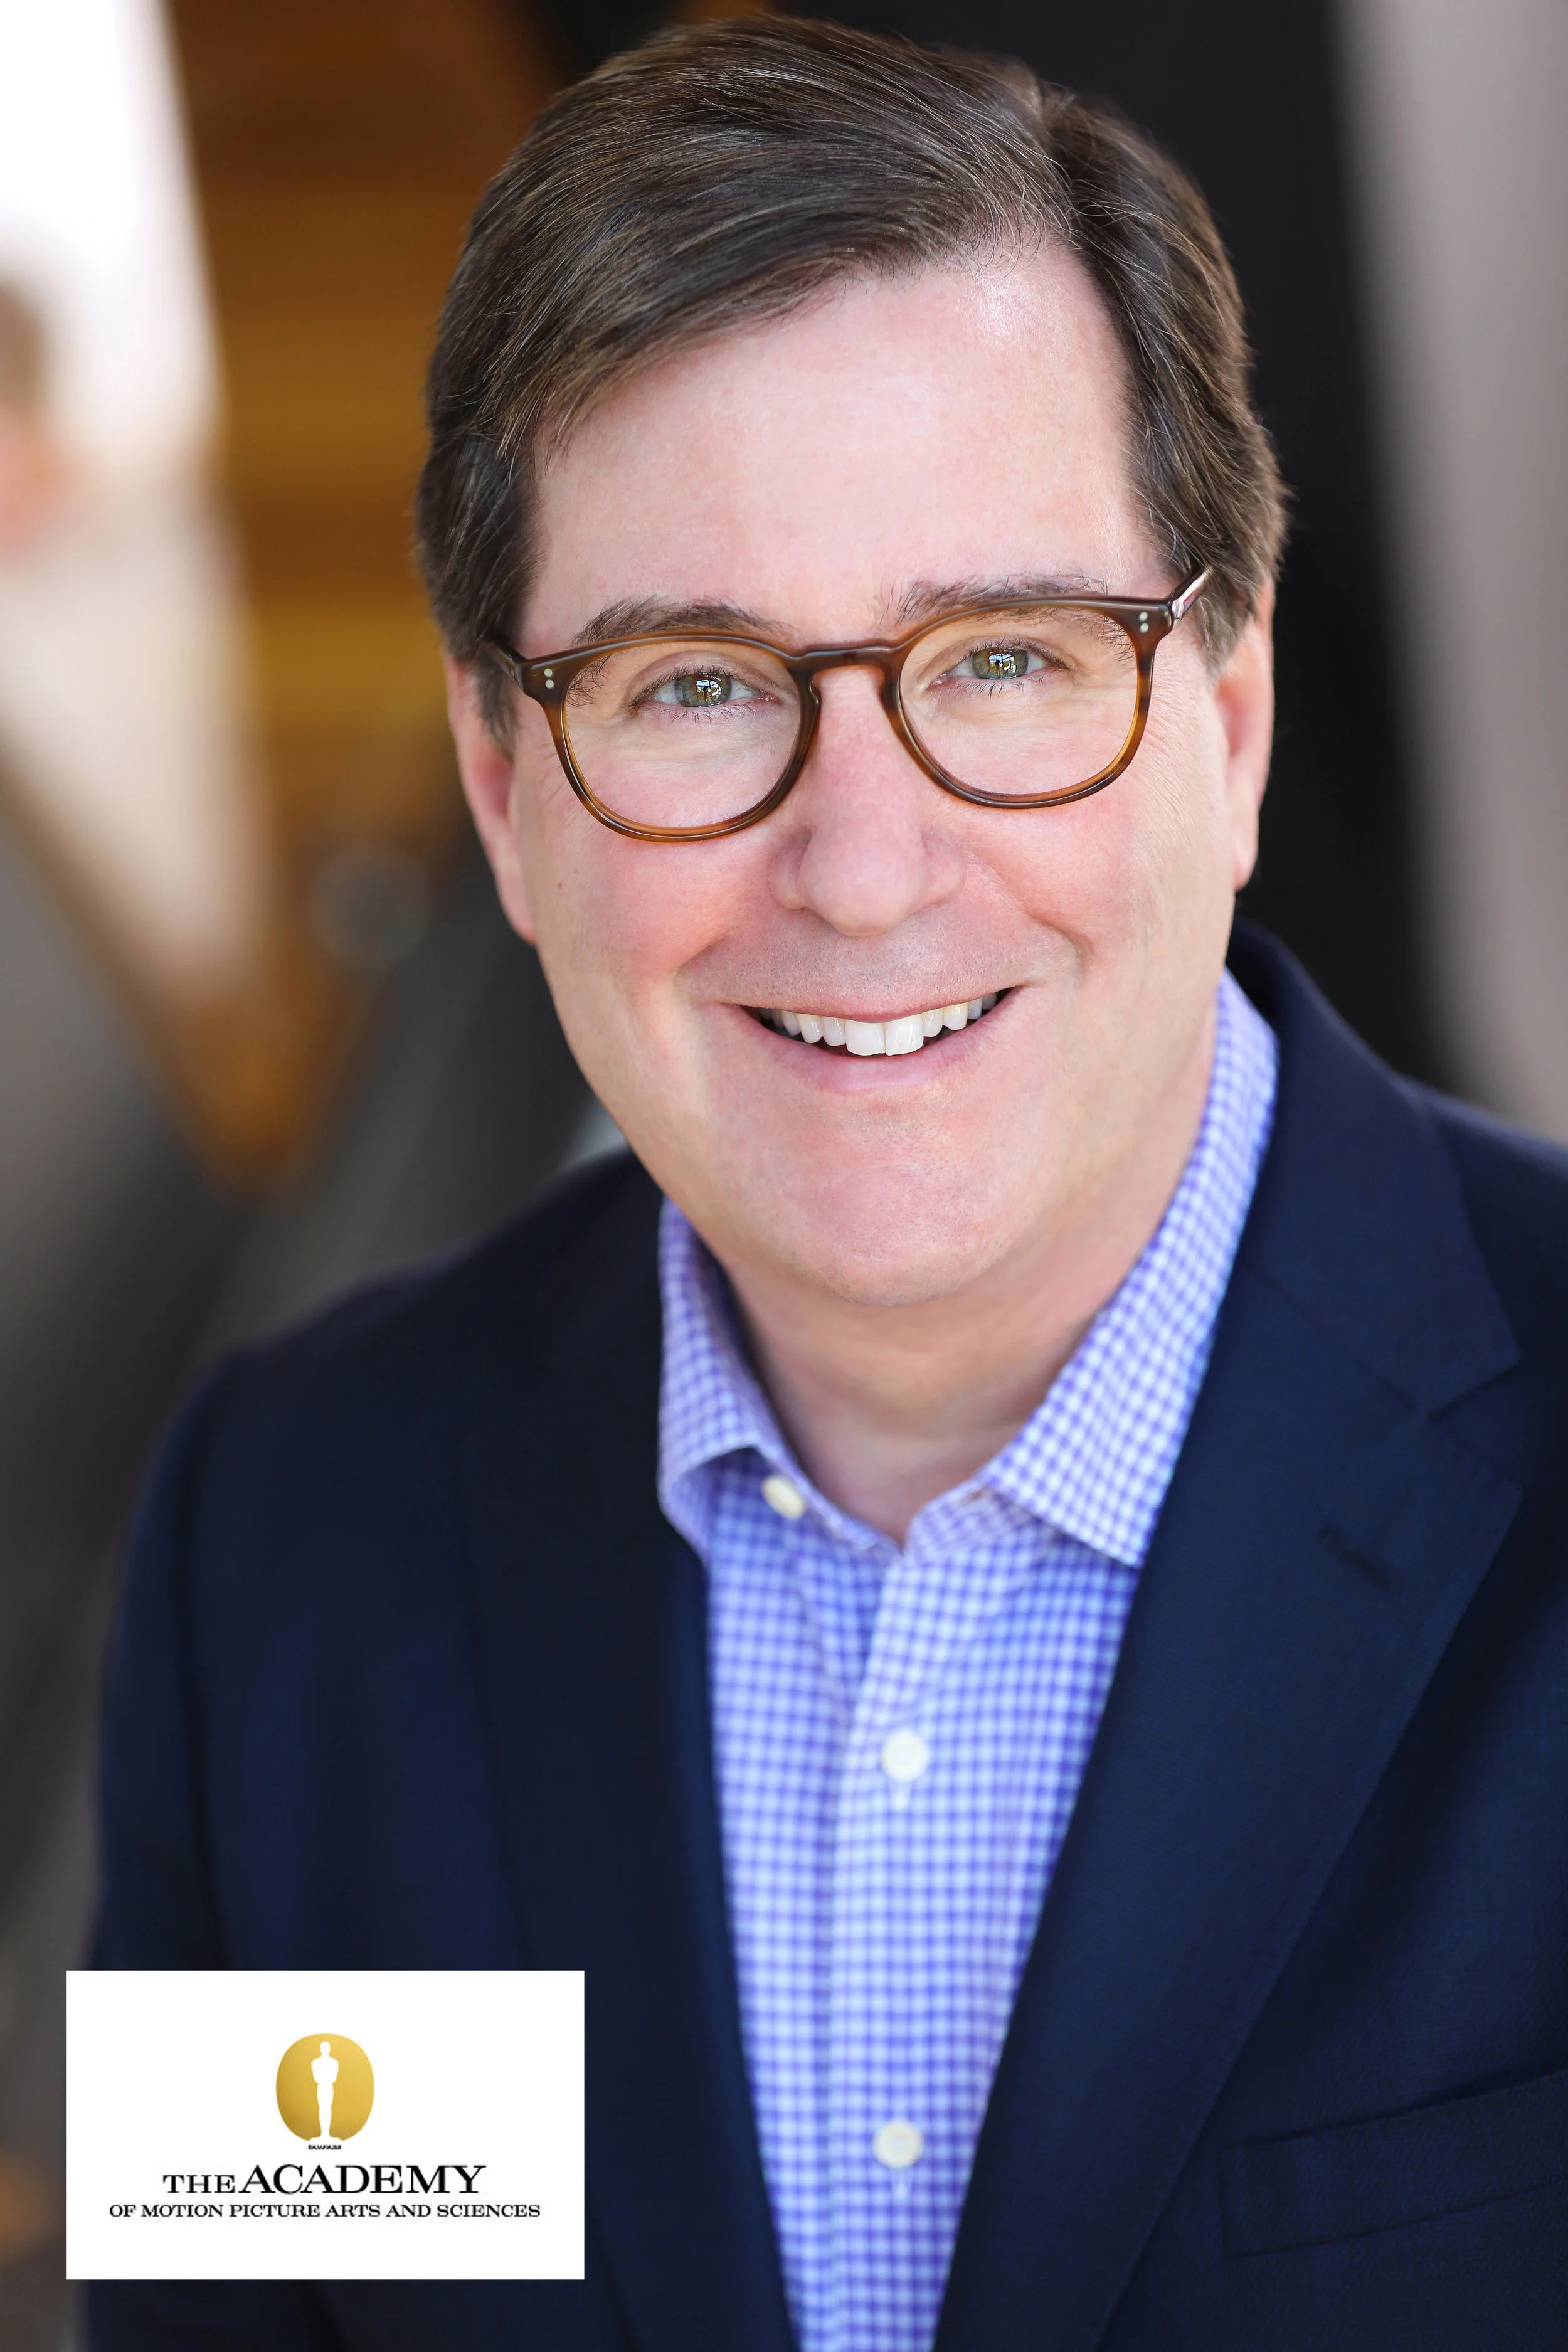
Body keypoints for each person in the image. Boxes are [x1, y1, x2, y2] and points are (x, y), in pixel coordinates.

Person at [90, 19, 1568, 2350]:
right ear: (503, 790)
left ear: (1229, 716)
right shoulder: (283, 1537)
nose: (865, 868)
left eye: (1004, 659)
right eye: (693, 685)